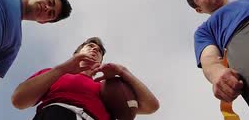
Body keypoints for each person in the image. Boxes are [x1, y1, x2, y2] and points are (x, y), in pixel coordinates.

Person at [11, 37, 160, 119]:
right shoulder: (53, 73)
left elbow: (151, 106)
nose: (95, 49)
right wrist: (62, 69)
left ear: (100, 61)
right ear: (76, 53)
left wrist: (123, 72)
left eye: (99, 51)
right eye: (90, 46)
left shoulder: (108, 88)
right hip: (56, 115)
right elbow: (19, 100)